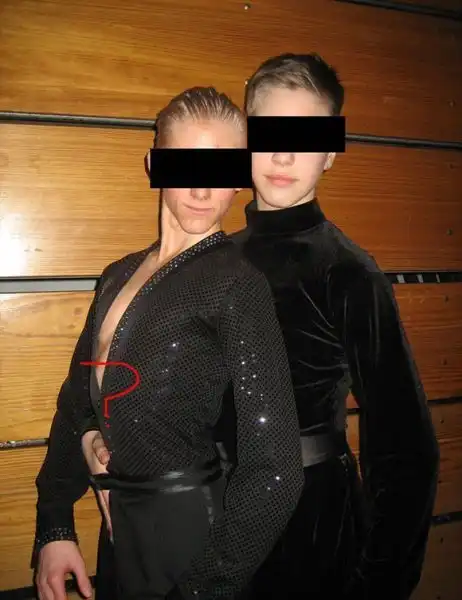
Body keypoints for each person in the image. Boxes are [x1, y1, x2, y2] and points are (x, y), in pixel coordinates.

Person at [87, 53, 440, 600]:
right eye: (270, 133)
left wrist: (379, 584)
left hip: (310, 530)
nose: (283, 154)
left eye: (307, 137)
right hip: (204, 515)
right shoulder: (206, 257)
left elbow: (405, 449)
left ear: (331, 154)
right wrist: (100, 444)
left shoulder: (347, 271)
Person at [32, 86, 304, 600]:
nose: (202, 189)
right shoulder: (118, 275)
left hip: (191, 543)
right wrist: (56, 524)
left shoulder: (236, 284)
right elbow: (76, 402)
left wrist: (206, 588)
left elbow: (276, 470)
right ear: (155, 165)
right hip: (121, 529)